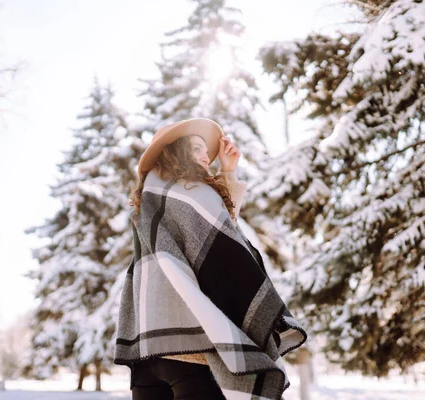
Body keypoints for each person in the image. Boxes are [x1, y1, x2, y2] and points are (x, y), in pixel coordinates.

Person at [113, 118, 307, 400]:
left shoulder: (149, 203)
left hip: (147, 352)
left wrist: (228, 172)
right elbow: (224, 250)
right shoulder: (195, 193)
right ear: (175, 153)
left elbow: (210, 237)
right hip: (191, 352)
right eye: (196, 148)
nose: (206, 156)